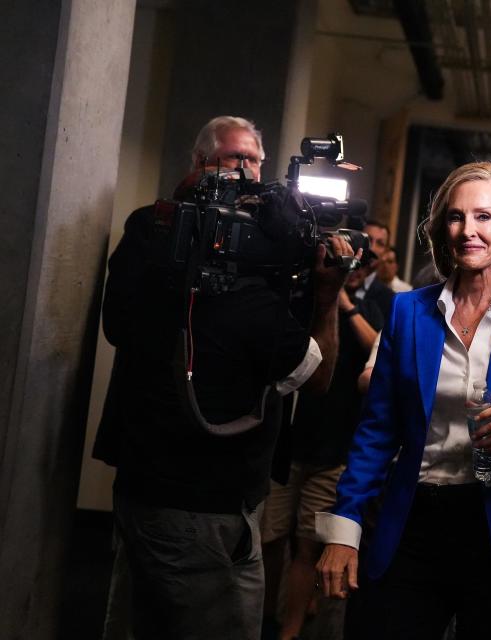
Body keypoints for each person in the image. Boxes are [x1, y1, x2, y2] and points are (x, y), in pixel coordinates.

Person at [93, 115, 356, 640]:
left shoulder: (266, 256)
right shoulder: (157, 229)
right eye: (234, 159)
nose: (247, 171)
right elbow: (121, 325)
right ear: (198, 166)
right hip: (184, 485)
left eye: (255, 160)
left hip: (212, 488)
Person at [316, 162, 491, 640]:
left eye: (483, 217)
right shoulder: (408, 312)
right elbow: (377, 430)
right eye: (456, 218)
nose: (468, 231)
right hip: (415, 521)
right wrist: (344, 528)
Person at [261, 253, 389, 640]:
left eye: (357, 268)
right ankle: (263, 620)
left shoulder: (369, 309)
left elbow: (376, 356)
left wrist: (343, 303)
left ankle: (291, 630)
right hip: (288, 446)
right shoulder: (305, 300)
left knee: (308, 548)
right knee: (269, 538)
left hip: (334, 451)